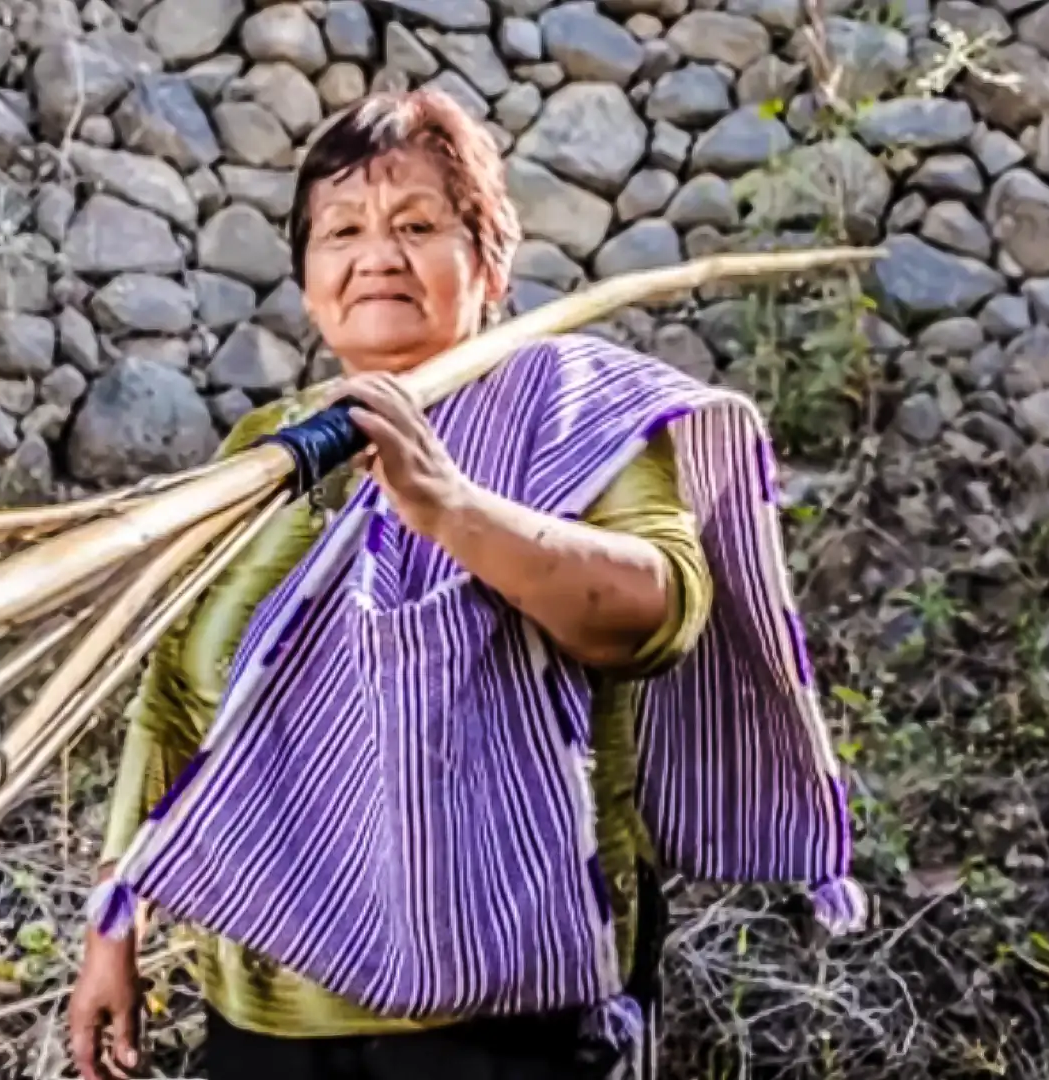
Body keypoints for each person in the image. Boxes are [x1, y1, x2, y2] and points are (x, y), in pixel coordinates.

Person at [69, 88, 860, 1080]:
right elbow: (177, 706)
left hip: (509, 1005)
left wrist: (449, 507)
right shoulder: (266, 458)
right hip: (265, 999)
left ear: (489, 258)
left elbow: (655, 615)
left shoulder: (574, 414)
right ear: (310, 282)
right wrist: (114, 923)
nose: (378, 254)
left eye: (417, 225)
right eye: (342, 231)